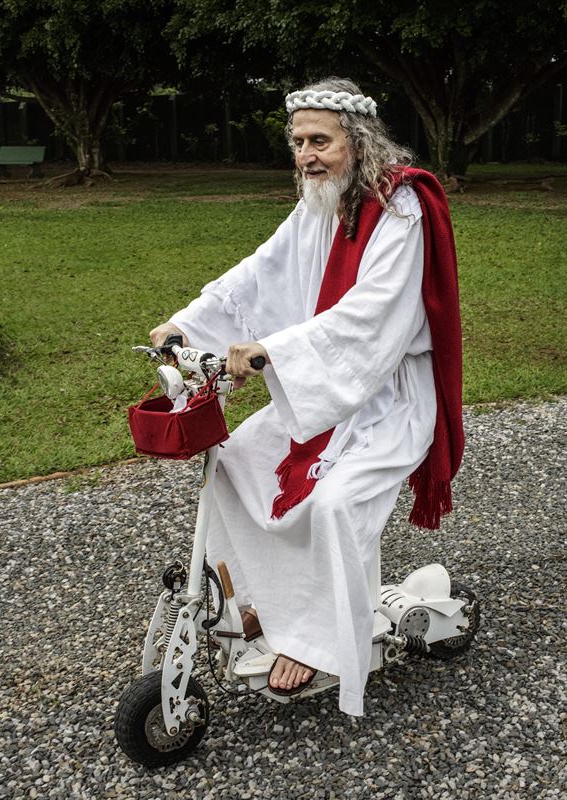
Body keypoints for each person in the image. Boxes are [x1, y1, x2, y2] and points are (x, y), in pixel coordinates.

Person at [150, 77, 464, 716]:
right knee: (233, 463)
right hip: (322, 390)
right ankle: (263, 604)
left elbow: (373, 315)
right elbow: (259, 272)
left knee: (335, 504)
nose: (306, 156)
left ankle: (319, 642)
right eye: (298, 142)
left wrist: (274, 350)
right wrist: (186, 324)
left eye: (320, 140)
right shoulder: (321, 204)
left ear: (359, 142)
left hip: (389, 402)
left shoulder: (399, 209)